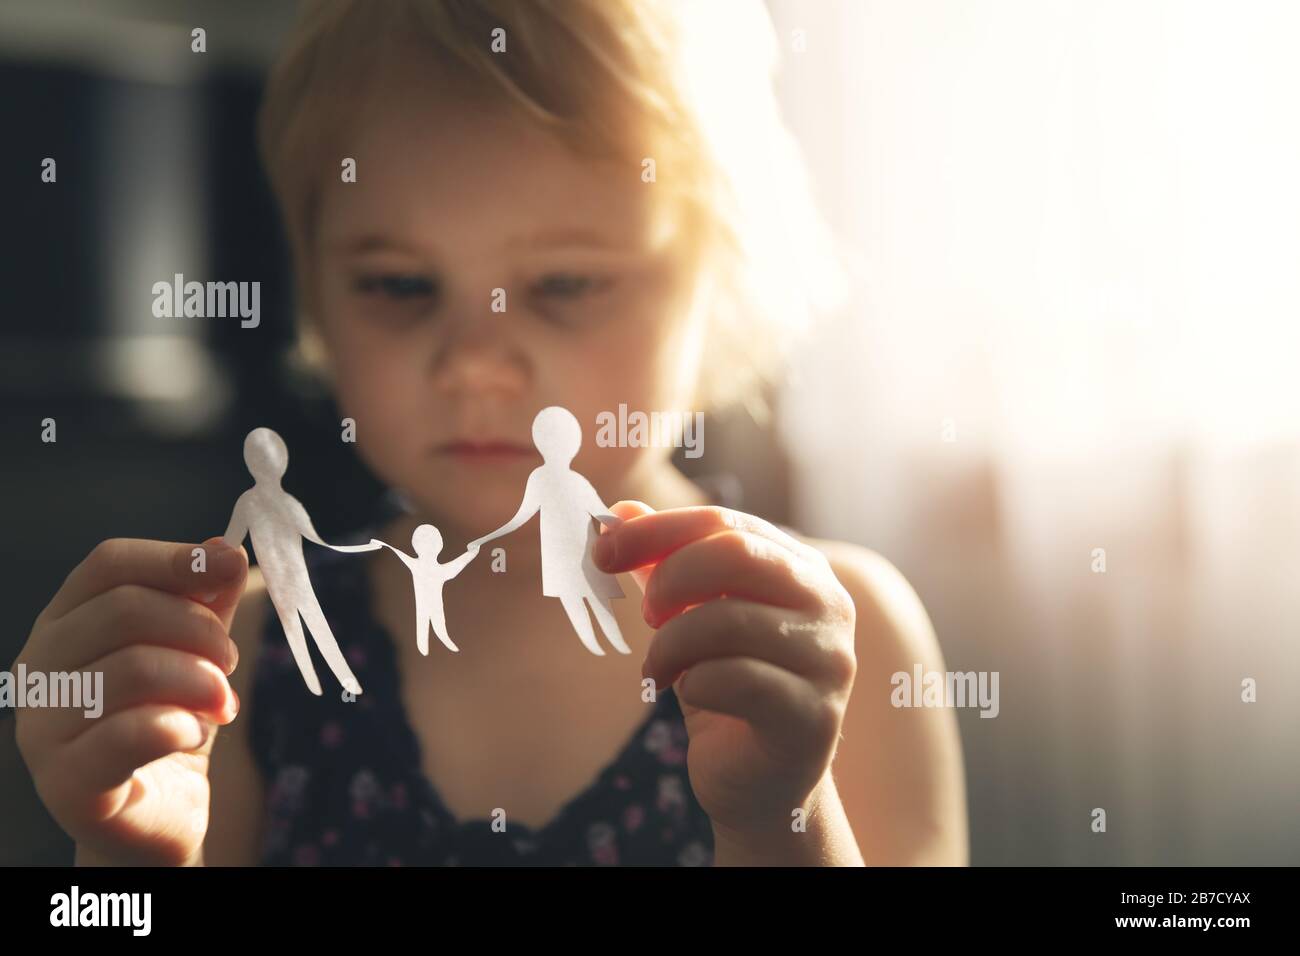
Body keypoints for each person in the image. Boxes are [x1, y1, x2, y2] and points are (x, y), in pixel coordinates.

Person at [12, 0, 968, 866]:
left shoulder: (834, 638)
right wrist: (127, 861)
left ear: (720, 284)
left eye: (565, 285)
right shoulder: (249, 659)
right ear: (316, 292)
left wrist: (777, 818)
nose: (472, 362)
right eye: (400, 285)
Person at [469, 406, 630, 657]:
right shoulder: (541, 479)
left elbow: (601, 512)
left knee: (597, 604)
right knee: (580, 604)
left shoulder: (570, 481)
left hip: (586, 554)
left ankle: (613, 642)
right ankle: (599, 645)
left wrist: (634, 529)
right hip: (561, 559)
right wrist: (487, 538)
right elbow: (521, 517)